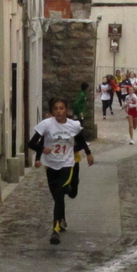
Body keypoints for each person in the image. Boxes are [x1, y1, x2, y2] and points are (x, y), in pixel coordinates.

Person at [28, 98, 92, 245]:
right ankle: (61, 217)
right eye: (56, 109)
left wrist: (88, 154)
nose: (59, 111)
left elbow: (81, 140)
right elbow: (31, 143)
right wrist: (41, 150)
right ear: (52, 111)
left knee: (59, 193)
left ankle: (55, 230)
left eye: (61, 108)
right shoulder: (46, 125)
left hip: (66, 163)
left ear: (66, 109)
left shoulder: (73, 125)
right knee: (57, 196)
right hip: (50, 165)